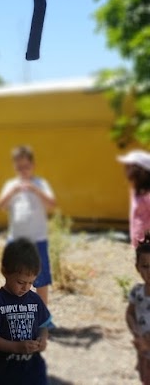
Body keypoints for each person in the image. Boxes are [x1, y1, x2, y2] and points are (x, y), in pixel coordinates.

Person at [0, 238, 51, 385]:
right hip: (4, 372)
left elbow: (43, 326)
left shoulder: (35, 300)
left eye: (31, 283)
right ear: (5, 271)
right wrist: (16, 347)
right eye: (21, 282)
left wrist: (42, 339)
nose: (26, 288)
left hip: (33, 370)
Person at [0, 146, 56, 308]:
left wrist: (35, 190)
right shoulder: (11, 184)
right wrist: (13, 191)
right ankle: (15, 309)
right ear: (15, 167)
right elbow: (1, 205)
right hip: (15, 240)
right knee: (14, 275)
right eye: (19, 167)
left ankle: (43, 314)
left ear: (33, 165)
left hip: (38, 240)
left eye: (26, 166)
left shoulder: (40, 183)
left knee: (41, 277)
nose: (23, 170)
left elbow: (52, 204)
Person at [126, 232, 150, 385]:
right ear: (137, 268)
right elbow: (130, 314)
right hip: (143, 349)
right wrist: (136, 333)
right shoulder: (137, 292)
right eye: (145, 266)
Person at [117, 151, 150, 248]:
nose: (125, 170)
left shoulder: (147, 194)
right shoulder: (135, 190)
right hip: (139, 241)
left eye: (128, 167)